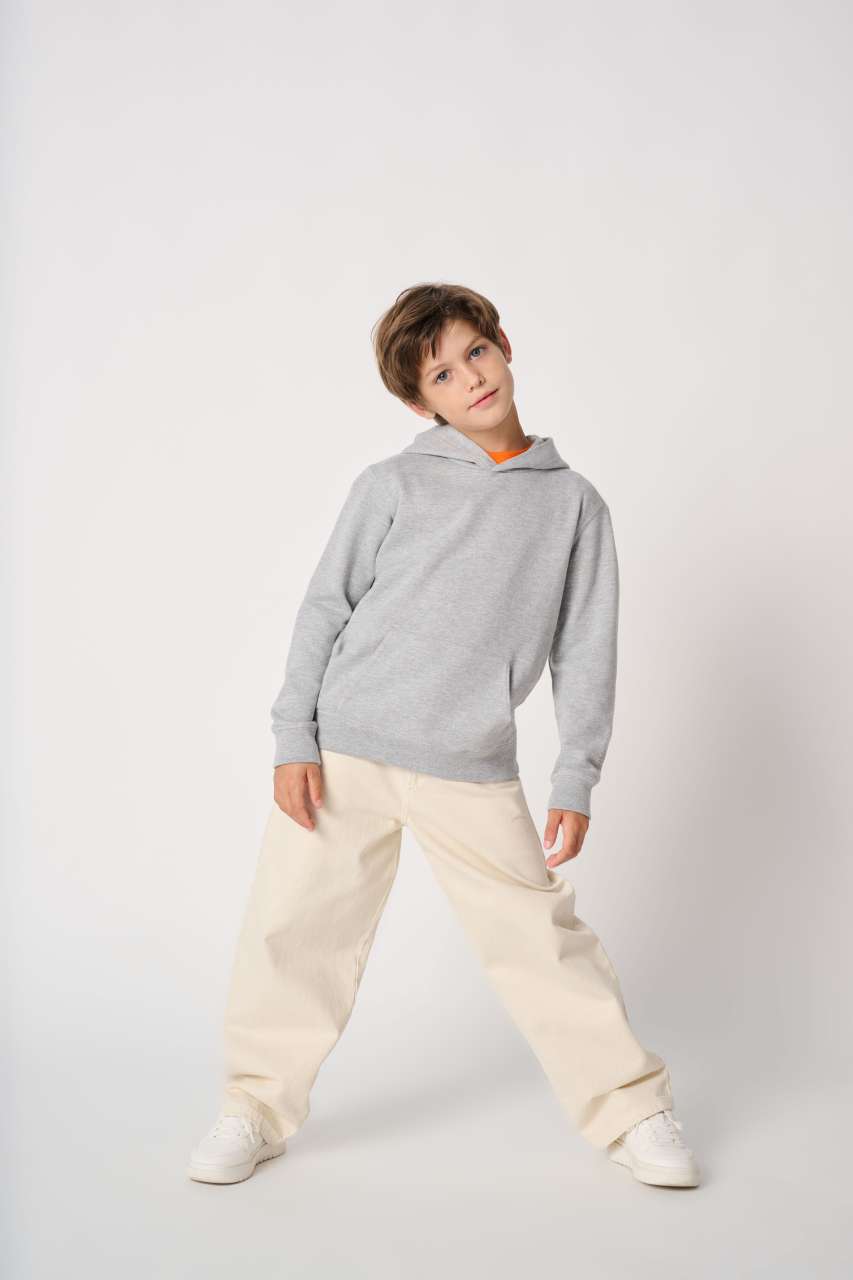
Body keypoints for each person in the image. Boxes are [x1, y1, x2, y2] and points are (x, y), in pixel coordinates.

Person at [187, 282, 701, 1189]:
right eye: (442, 374)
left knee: (541, 941)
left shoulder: (573, 505)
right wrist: (293, 736)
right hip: (346, 751)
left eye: (476, 353)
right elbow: (324, 609)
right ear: (418, 400)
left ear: (503, 344)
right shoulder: (390, 485)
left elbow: (585, 651)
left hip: (469, 764)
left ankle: (630, 1109)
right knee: (295, 931)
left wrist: (575, 775)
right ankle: (254, 1108)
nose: (470, 379)